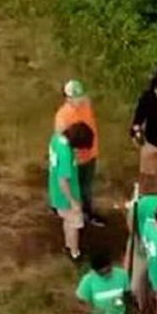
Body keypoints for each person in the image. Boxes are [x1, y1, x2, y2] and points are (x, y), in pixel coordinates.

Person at [54, 79, 103, 226]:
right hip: (75, 160)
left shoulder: (86, 104)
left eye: (80, 96)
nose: (79, 100)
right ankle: (71, 210)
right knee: (74, 187)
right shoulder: (62, 117)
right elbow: (61, 142)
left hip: (90, 154)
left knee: (87, 187)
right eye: (75, 98)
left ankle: (87, 212)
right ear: (67, 98)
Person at [48, 122, 94, 262]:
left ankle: (68, 246)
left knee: (67, 221)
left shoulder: (57, 138)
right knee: (75, 223)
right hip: (66, 196)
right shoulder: (66, 155)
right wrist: (73, 201)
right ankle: (75, 253)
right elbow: (63, 181)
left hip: (55, 192)